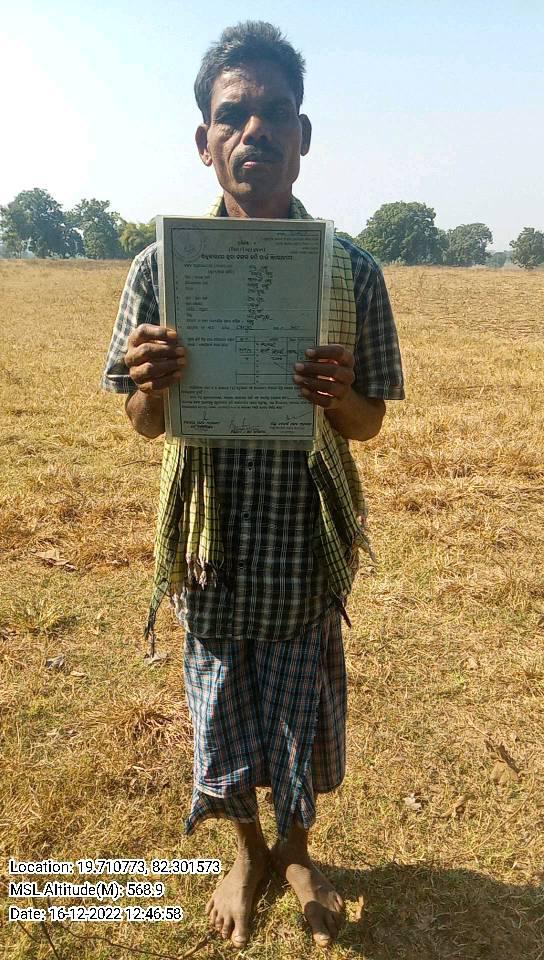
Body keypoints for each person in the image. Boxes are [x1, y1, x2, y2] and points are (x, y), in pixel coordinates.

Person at [102, 21, 405, 950]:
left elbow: (369, 423)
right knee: (220, 702)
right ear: (205, 141)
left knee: (302, 706)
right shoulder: (161, 269)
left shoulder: (350, 272)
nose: (255, 131)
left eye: (276, 113)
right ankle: (245, 853)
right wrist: (152, 385)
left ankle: (297, 848)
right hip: (209, 537)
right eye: (233, 115)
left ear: (303, 136)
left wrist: (338, 394)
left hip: (303, 537)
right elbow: (142, 421)